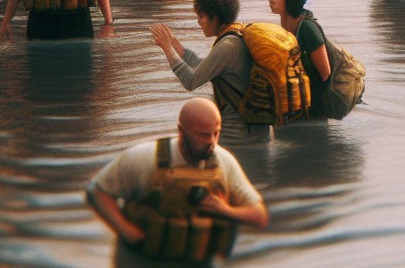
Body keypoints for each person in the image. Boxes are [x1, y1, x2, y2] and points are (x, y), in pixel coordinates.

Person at [87, 98, 269, 263]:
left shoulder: (223, 163)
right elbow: (97, 190)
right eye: (204, 134)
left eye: (216, 133)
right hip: (144, 260)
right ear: (181, 131)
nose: (212, 142)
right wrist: (125, 228)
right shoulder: (145, 158)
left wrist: (226, 211)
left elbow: (259, 216)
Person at [150, 0, 269, 144]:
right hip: (257, 134)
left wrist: (167, 49)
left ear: (215, 17)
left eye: (201, 16)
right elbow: (205, 67)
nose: (198, 21)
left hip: (238, 137)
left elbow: (191, 81)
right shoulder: (236, 37)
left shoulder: (226, 47)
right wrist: (174, 44)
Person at [268, 0, 359, 118]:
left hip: (312, 111)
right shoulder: (282, 28)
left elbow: (325, 74)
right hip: (293, 107)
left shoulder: (307, 29)